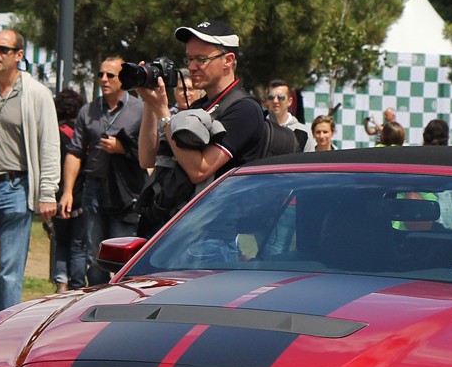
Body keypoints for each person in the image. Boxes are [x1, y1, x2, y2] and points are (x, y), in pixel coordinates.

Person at [134, 19, 266, 239]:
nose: (192, 67)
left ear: (228, 61)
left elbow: (199, 170)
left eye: (201, 59)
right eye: (189, 59)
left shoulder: (244, 109)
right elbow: (147, 158)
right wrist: (150, 103)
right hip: (178, 229)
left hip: (211, 237)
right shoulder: (200, 106)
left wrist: (165, 113)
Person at [0, 28, 59, 316]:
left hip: (15, 188)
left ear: (19, 55)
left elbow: (50, 145)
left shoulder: (36, 94)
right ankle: (8, 321)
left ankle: (6, 336)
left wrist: (47, 192)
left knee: (10, 273)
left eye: (3, 49)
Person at [60, 56, 148, 287]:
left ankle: (125, 300)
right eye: (100, 75)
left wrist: (122, 149)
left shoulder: (139, 109)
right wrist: (68, 191)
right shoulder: (88, 111)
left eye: (110, 75)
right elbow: (75, 152)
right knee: (94, 255)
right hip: (93, 188)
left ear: (123, 78)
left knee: (124, 254)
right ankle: (99, 298)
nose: (104, 79)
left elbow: (150, 151)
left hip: (125, 191)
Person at [48, 88, 89, 293]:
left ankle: (61, 281)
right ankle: (77, 285)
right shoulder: (83, 135)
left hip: (57, 195)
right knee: (78, 245)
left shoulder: (54, 134)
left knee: (60, 241)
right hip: (81, 196)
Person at [263, 80, 313, 151]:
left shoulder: (304, 132)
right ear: (267, 101)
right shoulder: (260, 128)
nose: (275, 101)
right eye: (271, 97)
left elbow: (309, 160)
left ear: (290, 101)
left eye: (281, 97)